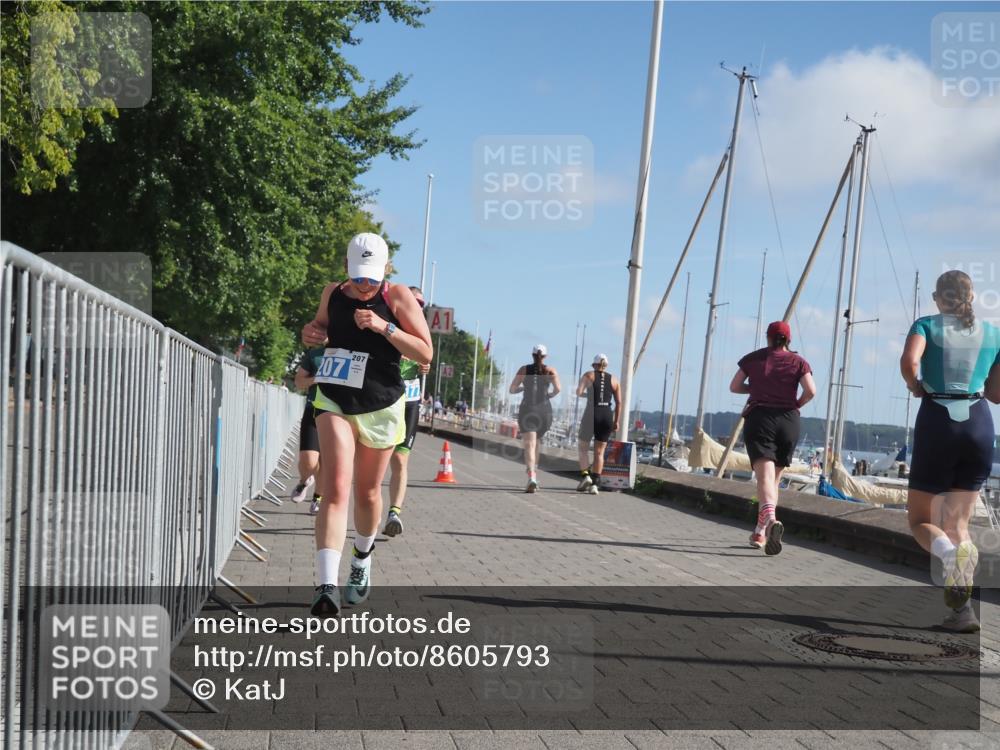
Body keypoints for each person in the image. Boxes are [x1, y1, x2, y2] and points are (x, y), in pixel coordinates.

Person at [300, 233, 433, 616]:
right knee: (336, 486)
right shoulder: (333, 292)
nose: (364, 286)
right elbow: (319, 328)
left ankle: (361, 557)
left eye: (372, 279)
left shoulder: (398, 298)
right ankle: (325, 586)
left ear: (385, 272)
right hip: (335, 398)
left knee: (368, 493)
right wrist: (312, 332)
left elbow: (425, 351)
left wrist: (383, 327)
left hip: (381, 402)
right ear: (346, 268)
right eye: (359, 277)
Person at [900, 269, 1000, 633]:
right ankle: (963, 614)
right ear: (970, 298)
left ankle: (946, 555)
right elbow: (997, 394)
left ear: (937, 297)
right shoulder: (994, 334)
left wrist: (917, 386)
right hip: (978, 424)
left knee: (920, 521)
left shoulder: (926, 325)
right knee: (959, 525)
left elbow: (910, 365)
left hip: (937, 423)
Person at [729, 321, 816, 555]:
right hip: (789, 421)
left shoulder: (754, 358)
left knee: (764, 479)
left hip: (761, 418)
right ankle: (759, 532)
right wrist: (797, 404)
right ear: (789, 339)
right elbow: (811, 390)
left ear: (768, 338)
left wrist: (754, 387)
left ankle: (770, 520)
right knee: (772, 481)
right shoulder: (800, 362)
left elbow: (734, 386)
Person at [384, 286, 431, 538]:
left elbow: (426, 358)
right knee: (377, 459)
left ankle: (394, 512)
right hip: (385, 399)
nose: (418, 307)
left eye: (421, 304)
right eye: (414, 302)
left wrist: (424, 368)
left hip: (410, 402)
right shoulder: (390, 323)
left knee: (400, 460)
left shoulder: (422, 332)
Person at [508, 345, 561, 493]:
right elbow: (558, 389)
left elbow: (512, 389)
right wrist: (548, 395)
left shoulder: (524, 370)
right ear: (545, 356)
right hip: (545, 411)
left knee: (529, 445)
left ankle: (531, 476)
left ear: (532, 355)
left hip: (528, 409)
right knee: (536, 442)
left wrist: (522, 389)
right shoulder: (551, 371)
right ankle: (534, 474)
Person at [575, 353, 621, 495]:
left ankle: (586, 476)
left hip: (591, 413)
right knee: (599, 452)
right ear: (606, 365)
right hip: (606, 414)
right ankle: (595, 484)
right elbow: (619, 402)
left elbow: (578, 392)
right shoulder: (614, 380)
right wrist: (616, 421)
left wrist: (589, 394)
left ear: (594, 365)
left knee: (583, 448)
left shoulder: (588, 375)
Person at [291, 347, 327, 515]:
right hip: (313, 409)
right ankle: (304, 481)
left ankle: (317, 498)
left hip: (341, 414)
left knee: (326, 462)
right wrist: (318, 378)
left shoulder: (353, 350)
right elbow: (298, 382)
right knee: (309, 461)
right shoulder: (315, 354)